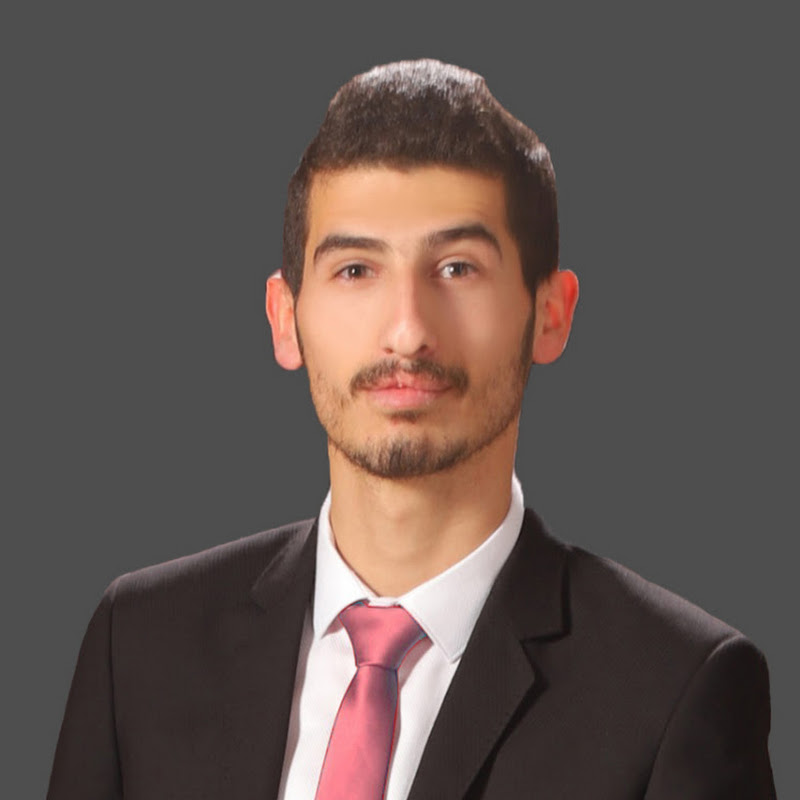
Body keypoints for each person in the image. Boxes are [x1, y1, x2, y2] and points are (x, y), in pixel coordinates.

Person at [48, 59, 775, 799]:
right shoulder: (137, 645)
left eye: (457, 268)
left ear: (550, 313)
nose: (406, 331)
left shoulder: (675, 689)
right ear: (284, 318)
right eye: (355, 270)